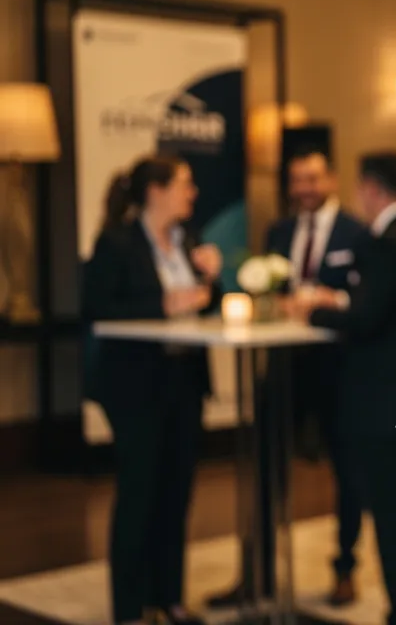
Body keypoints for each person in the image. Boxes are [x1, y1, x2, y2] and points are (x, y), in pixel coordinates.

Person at [294, 150, 396, 625]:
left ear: (370, 188)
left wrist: (313, 310)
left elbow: (364, 319)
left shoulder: (388, 243)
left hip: (387, 406)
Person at [206, 146, 367, 609]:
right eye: (297, 180)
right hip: (283, 367)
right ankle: (255, 573)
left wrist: (326, 299)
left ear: (331, 180)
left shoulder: (356, 233)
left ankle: (345, 569)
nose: (304, 189)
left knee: (347, 472)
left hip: (337, 369)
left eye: (312, 179)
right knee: (264, 469)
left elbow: (362, 301)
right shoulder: (278, 231)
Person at [82, 155, 222, 625]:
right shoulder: (117, 241)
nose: (193, 192)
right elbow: (98, 307)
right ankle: (129, 608)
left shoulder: (189, 241)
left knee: (177, 492)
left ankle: (170, 598)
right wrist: (164, 303)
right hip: (136, 385)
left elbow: (208, 305)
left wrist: (212, 277)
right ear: (156, 190)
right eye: (185, 182)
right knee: (138, 492)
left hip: (183, 382)